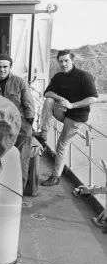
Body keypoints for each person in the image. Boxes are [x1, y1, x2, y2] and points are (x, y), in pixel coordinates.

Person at [35, 49, 98, 186]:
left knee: (61, 146)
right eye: (61, 61)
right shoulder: (59, 77)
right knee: (49, 101)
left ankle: (55, 177)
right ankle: (44, 134)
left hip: (76, 116)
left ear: (72, 61)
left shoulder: (84, 76)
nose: (63, 64)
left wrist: (72, 105)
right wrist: (60, 98)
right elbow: (47, 93)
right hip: (63, 112)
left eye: (66, 61)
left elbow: (93, 98)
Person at [0, 53, 35, 189]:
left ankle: (19, 189)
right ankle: (0, 187)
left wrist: (29, 124)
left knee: (21, 158)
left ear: (10, 67)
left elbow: (29, 104)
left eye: (5, 66)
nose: (2, 69)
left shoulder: (20, 82)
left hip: (20, 124)